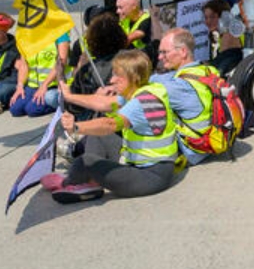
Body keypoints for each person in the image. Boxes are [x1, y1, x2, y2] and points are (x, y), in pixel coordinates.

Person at [45, 50, 182, 203]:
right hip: (153, 167)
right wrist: (70, 97)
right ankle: (90, 181)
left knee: (86, 161)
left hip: (150, 176)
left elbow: (109, 124)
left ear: (133, 78)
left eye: (117, 75)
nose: (111, 80)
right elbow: (103, 103)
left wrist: (75, 127)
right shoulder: (144, 90)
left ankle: (71, 182)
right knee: (98, 137)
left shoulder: (139, 103)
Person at [153, 27, 220, 165]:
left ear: (183, 51)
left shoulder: (177, 86)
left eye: (164, 52)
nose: (160, 57)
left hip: (194, 150)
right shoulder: (208, 70)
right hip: (214, 137)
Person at [8, 33, 70, 117]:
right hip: (33, 86)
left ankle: (62, 103)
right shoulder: (26, 38)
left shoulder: (60, 34)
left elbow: (62, 62)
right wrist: (20, 86)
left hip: (54, 85)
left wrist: (44, 85)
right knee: (15, 109)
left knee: (32, 110)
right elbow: (24, 65)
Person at [202, 0, 245, 76]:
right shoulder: (226, 34)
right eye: (206, 18)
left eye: (212, 17)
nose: (208, 21)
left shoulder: (228, 36)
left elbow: (223, 66)